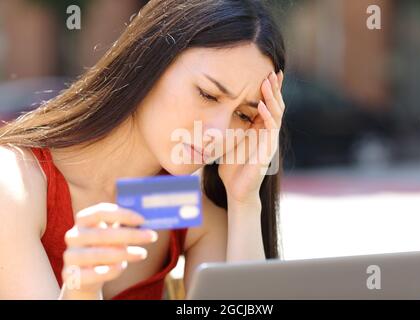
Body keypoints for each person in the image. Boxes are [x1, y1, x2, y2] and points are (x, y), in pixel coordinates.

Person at [0, 0, 286, 300]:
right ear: (151, 61)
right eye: (207, 94)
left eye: (243, 115)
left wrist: (245, 203)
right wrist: (81, 290)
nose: (218, 132)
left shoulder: (186, 208)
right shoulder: (15, 184)